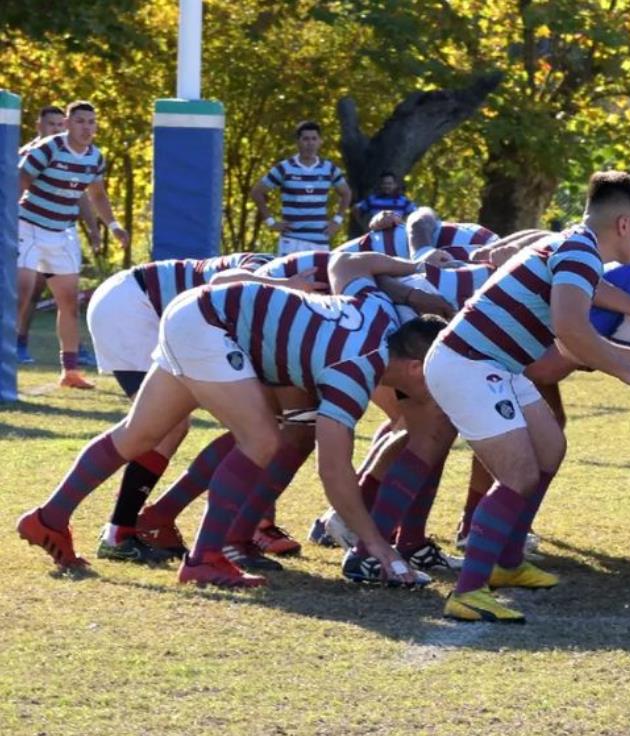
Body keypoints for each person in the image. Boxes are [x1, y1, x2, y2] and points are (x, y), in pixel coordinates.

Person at [16, 252, 441, 590]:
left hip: (196, 309)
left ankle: (49, 517)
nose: (440, 394)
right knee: (262, 440)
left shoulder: (379, 309)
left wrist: (416, 273)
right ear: (417, 367)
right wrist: (378, 547)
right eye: (440, 377)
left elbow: (353, 263)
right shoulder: (357, 371)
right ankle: (205, 558)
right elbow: (333, 471)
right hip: (210, 321)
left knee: (137, 434)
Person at [426, 171, 630, 623]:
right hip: (470, 364)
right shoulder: (580, 255)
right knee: (520, 473)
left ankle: (506, 563)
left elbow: (570, 339)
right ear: (624, 225)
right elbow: (571, 332)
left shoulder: (576, 248)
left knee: (551, 447)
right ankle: (467, 592)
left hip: (495, 364)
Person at [84, 251, 301, 562]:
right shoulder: (271, 270)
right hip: (134, 306)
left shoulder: (281, 284)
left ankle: (137, 527)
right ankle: (116, 533)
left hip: (139, 303)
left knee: (252, 422)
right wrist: (286, 283)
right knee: (163, 428)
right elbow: (225, 280)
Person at [15, 101, 130, 388]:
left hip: (62, 234)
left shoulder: (96, 157)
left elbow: (97, 195)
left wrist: (113, 226)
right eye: (80, 121)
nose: (86, 127)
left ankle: (70, 371)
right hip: (28, 227)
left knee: (69, 303)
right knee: (22, 293)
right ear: (67, 123)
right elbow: (20, 178)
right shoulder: (49, 148)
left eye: (91, 122)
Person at [251, 120, 352, 254]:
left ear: (320, 141)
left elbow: (346, 193)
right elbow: (257, 192)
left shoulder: (329, 168)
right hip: (291, 240)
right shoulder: (284, 168)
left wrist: (337, 220)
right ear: (298, 142)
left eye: (314, 139)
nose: (310, 143)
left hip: (319, 239)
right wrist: (271, 222)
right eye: (305, 139)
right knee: (287, 276)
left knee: (320, 275)